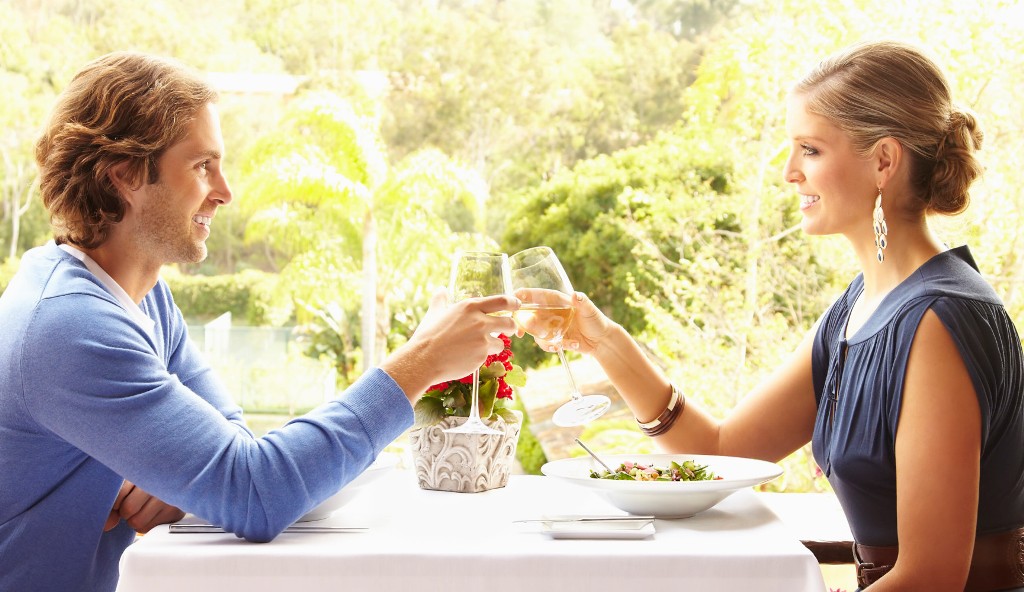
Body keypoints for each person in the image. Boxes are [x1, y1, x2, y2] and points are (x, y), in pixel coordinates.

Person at [0, 52, 518, 592]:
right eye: (202, 166)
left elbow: (233, 447)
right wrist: (422, 362)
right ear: (125, 175)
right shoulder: (68, 326)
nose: (225, 191)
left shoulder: (143, 300)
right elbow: (256, 490)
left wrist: (189, 478)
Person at [521, 41, 1024, 590]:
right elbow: (720, 454)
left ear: (883, 160)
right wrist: (605, 342)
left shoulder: (939, 320)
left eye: (810, 149)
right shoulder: (859, 309)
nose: (788, 172)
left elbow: (931, 577)